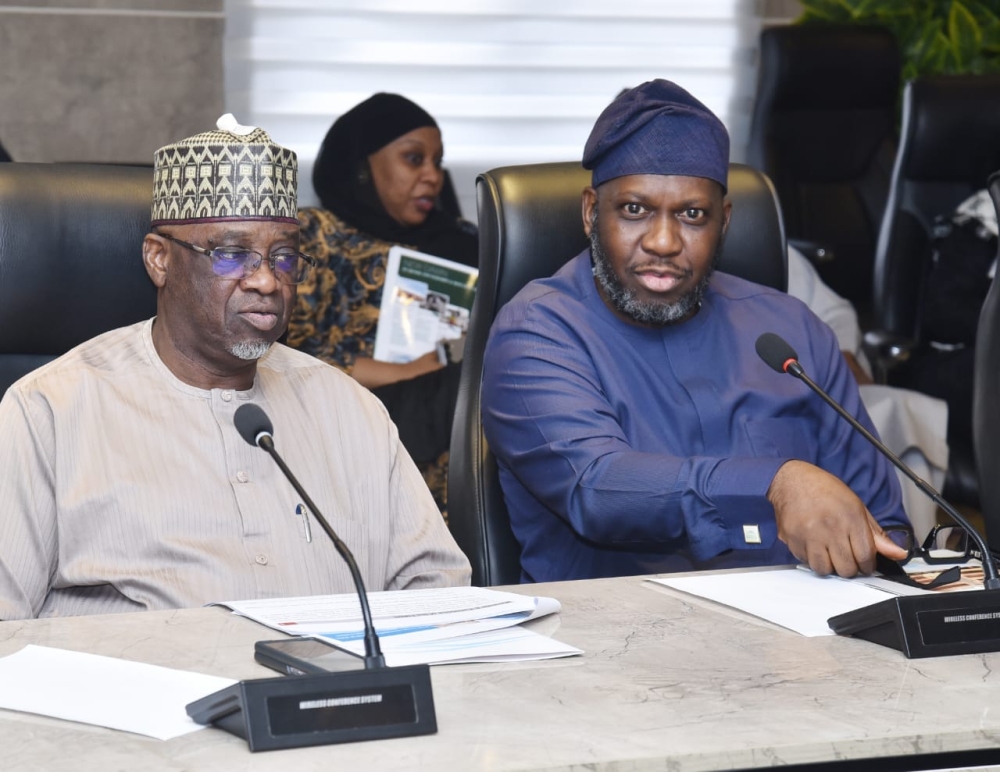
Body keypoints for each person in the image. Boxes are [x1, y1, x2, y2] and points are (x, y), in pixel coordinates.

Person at [0, 114, 470, 620]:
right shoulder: (49, 410)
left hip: (327, 692)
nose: (267, 281)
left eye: (284, 258)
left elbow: (438, 591)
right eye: (230, 254)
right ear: (159, 259)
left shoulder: (349, 408)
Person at [481, 80, 910, 583]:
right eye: (635, 210)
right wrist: (775, 483)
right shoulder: (537, 332)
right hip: (623, 644)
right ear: (591, 212)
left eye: (692, 215)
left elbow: (882, 522)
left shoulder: (791, 330)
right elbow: (595, 488)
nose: (663, 242)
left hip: (810, 643)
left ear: (723, 222)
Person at [287, 93, 478, 513]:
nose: (432, 176)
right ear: (361, 166)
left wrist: (444, 355)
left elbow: (486, 338)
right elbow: (275, 358)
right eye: (414, 159)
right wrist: (400, 371)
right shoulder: (313, 237)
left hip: (455, 447)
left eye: (437, 162)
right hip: (341, 445)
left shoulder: (464, 243)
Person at [787, 246, 950, 539]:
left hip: (823, 383)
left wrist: (842, 355)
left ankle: (910, 551)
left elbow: (834, 313)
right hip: (775, 405)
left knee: (900, 410)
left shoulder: (777, 251)